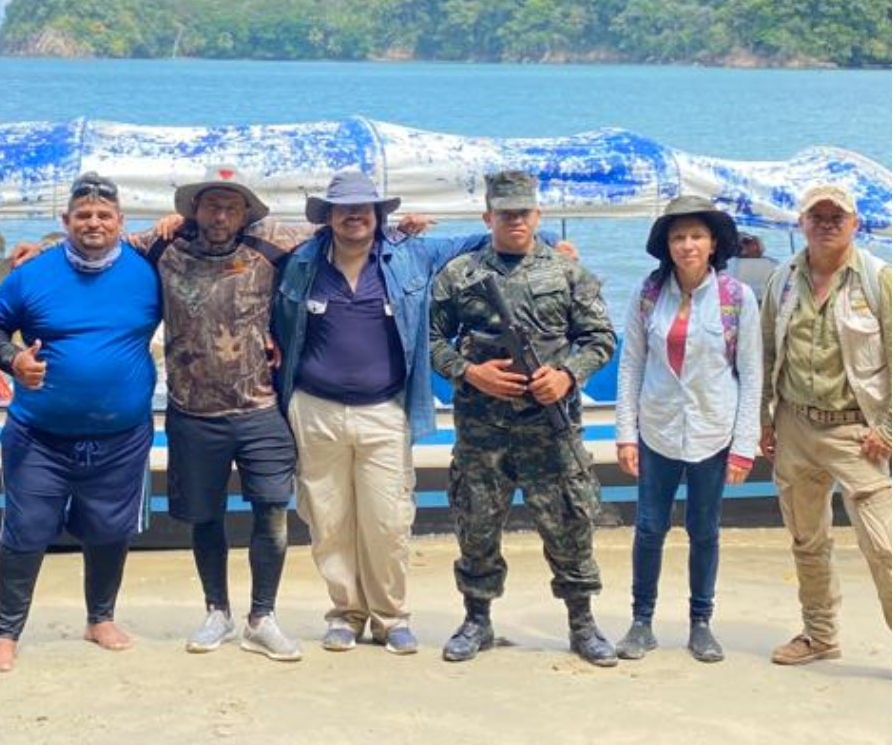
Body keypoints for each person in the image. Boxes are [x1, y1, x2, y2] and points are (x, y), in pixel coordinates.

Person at [271, 170, 505, 656]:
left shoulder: (412, 256)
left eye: (365, 208)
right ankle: (345, 613)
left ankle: (391, 616)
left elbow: (486, 239)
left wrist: (551, 245)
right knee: (327, 519)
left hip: (385, 411)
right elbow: (250, 245)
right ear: (329, 217)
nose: (354, 216)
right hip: (314, 409)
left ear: (379, 215)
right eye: (344, 208)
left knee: (388, 521)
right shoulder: (301, 262)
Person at [428, 169, 619, 666]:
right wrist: (471, 373)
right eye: (505, 212)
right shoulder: (459, 275)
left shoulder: (568, 273)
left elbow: (600, 338)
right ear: (488, 216)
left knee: (570, 524)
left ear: (537, 215)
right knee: (476, 524)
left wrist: (568, 376)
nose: (515, 220)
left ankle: (582, 623)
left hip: (549, 428)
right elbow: (428, 342)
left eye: (524, 212)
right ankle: (477, 620)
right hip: (482, 431)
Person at [0, 172, 160, 673]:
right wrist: (12, 359)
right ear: (66, 222)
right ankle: (5, 633)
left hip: (121, 437)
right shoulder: (32, 273)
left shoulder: (147, 272)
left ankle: (100, 618)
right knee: (26, 532)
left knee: (110, 531)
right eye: (83, 215)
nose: (94, 223)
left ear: (121, 222)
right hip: (40, 436)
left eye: (105, 215)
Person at [152, 167, 315, 661]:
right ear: (194, 210)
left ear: (246, 213)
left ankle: (262, 616)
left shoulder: (269, 244)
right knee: (206, 517)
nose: (220, 215)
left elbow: (343, 227)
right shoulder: (163, 247)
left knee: (272, 510)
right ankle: (217, 611)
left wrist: (407, 226)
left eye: (231, 206)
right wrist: (34, 253)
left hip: (259, 409)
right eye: (211, 205)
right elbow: (99, 238)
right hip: (192, 411)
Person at [612, 195, 762, 663]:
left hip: (713, 430)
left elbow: (751, 372)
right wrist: (624, 432)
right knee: (649, 527)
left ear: (713, 242)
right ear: (667, 245)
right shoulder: (648, 293)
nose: (687, 245)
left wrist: (744, 446)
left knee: (705, 529)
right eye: (678, 237)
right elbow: (631, 364)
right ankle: (641, 621)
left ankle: (701, 622)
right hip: (657, 426)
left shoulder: (737, 299)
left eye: (696, 235)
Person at [759, 184, 890, 666]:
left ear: (855, 223)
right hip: (794, 425)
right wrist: (763, 419)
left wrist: (889, 430)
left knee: (885, 546)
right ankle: (819, 636)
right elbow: (768, 350)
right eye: (818, 215)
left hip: (858, 432)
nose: (828, 223)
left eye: (838, 216)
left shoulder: (878, 280)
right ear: (802, 223)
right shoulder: (782, 280)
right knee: (807, 541)